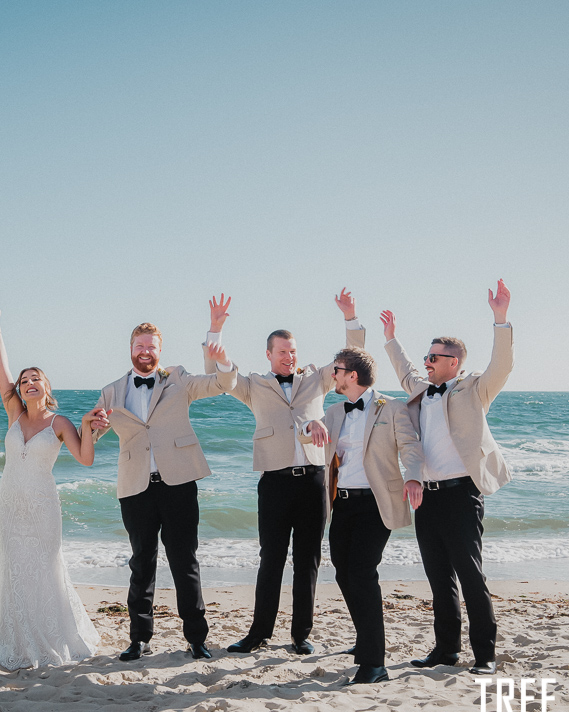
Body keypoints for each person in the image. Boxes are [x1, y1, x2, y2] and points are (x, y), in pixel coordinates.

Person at [201, 292, 364, 655]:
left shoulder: (317, 379)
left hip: (314, 481)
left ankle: (301, 635)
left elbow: (352, 358)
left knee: (308, 561)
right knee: (271, 559)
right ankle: (259, 632)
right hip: (274, 483)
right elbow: (219, 374)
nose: (289, 357)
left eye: (293, 351)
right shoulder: (253, 385)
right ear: (269, 354)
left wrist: (350, 317)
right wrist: (215, 329)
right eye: (283, 352)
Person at [379, 279, 513, 676]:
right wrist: (391, 339)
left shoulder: (474, 390)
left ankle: (485, 655)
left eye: (434, 357)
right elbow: (404, 371)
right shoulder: (422, 392)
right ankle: (446, 649)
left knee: (470, 576)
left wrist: (501, 319)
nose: (427, 362)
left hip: (462, 495)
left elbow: (502, 366)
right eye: (427, 356)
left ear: (453, 362)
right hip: (427, 497)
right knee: (439, 578)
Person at [89, 321, 237, 661]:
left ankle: (196, 638)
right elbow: (93, 433)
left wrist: (222, 358)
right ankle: (139, 638)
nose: (145, 352)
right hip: (135, 486)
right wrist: (92, 426)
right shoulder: (111, 391)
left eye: (151, 347)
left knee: (185, 561)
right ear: (131, 349)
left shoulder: (178, 378)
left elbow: (220, 384)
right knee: (141, 563)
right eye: (140, 346)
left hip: (178, 483)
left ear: (160, 350)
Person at [0, 298, 104, 669]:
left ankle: (55, 638)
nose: (29, 383)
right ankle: (17, 642)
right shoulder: (14, 414)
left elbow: (85, 459)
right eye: (24, 381)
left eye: (35, 379)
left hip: (42, 508)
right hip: (10, 506)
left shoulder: (59, 423)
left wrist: (89, 428)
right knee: (14, 571)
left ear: (46, 387)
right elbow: (1, 367)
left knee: (46, 569)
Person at [300, 341, 423, 684]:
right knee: (343, 573)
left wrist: (414, 476)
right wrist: (310, 426)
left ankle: (374, 664)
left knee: (362, 573)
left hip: (376, 502)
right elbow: (306, 437)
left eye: (336, 370)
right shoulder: (335, 412)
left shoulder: (391, 407)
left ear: (352, 375)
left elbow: (410, 446)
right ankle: (365, 639)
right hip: (342, 503)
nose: (333, 375)